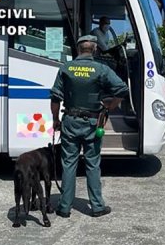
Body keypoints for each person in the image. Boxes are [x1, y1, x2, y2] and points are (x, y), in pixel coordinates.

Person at [50, 35, 129, 218]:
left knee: (69, 163)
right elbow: (122, 89)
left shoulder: (66, 68)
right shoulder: (101, 69)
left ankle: (64, 207)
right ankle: (97, 206)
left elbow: (55, 98)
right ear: (94, 49)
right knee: (93, 164)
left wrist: (55, 119)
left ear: (78, 50)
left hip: (70, 120)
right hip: (93, 123)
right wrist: (111, 105)